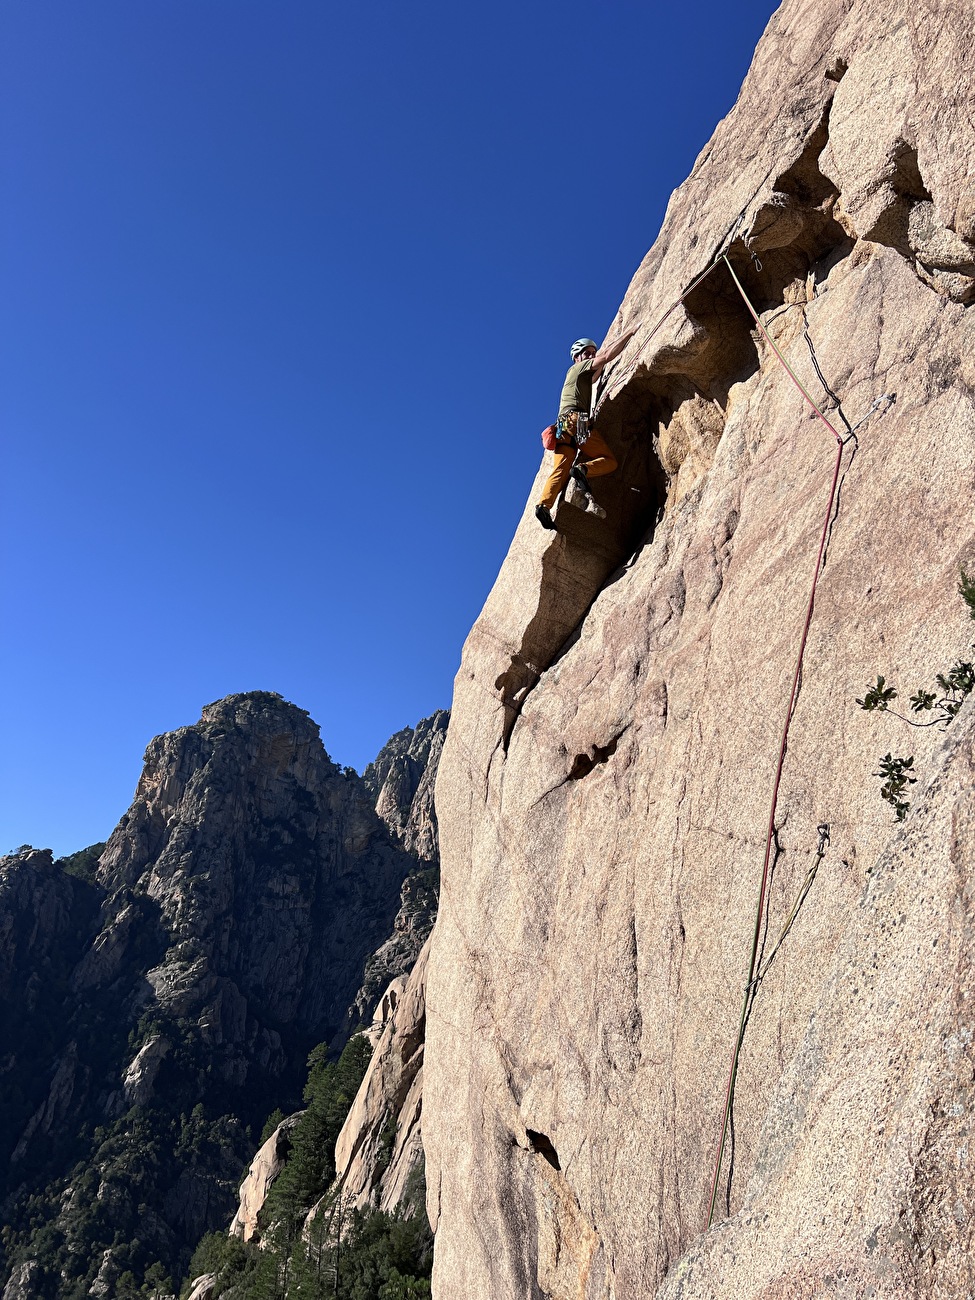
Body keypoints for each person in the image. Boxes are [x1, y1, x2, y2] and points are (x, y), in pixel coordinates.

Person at [535, 330, 636, 530]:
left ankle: (543, 506)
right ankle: (583, 470)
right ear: (577, 357)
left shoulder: (577, 377)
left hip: (563, 428)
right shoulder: (579, 368)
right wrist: (630, 333)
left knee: (560, 470)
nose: (591, 356)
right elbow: (605, 357)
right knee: (610, 461)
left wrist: (603, 363)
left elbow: (596, 373)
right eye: (587, 353)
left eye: (592, 353)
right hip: (577, 421)